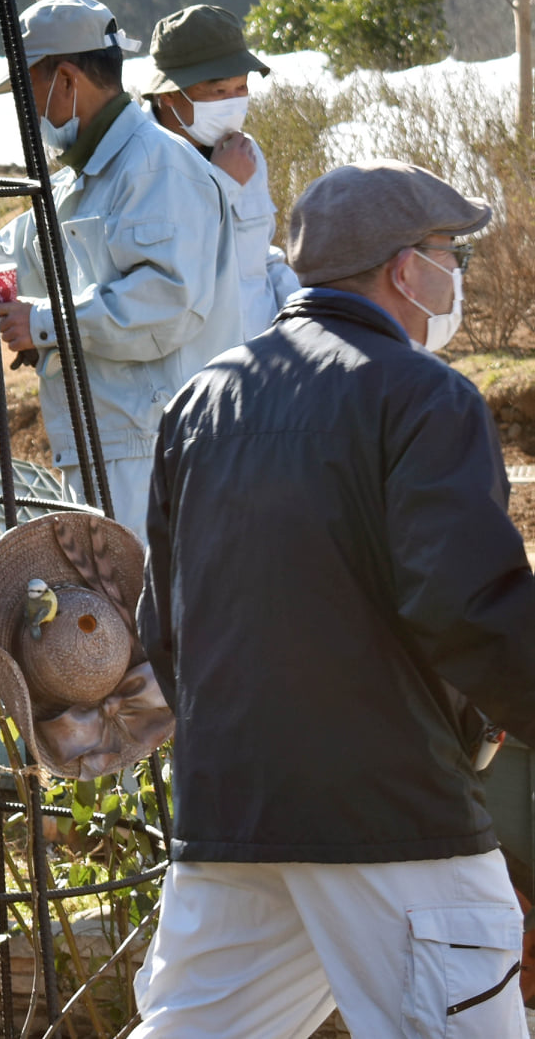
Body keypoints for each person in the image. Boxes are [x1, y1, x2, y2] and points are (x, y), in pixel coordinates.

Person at [132, 159, 535, 1037]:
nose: (454, 273)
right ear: (403, 267)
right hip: (393, 815)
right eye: (447, 253)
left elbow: (163, 619)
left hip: (229, 809)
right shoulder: (424, 397)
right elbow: (465, 606)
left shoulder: (199, 402)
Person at [0, 0, 241, 541]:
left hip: (156, 453)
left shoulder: (156, 170)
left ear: (67, 79)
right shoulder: (80, 181)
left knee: (147, 619)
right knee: (109, 617)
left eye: (29, 90)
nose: (27, 109)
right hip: (104, 448)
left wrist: (45, 323)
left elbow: (168, 304)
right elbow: (1, 272)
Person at [136, 4, 298, 339]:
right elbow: (164, 273)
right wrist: (222, 184)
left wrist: (295, 316)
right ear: (168, 95)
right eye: (218, 91)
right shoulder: (136, 163)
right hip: (193, 373)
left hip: (262, 361)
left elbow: (260, 258)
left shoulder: (246, 152)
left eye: (241, 88)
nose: (234, 101)